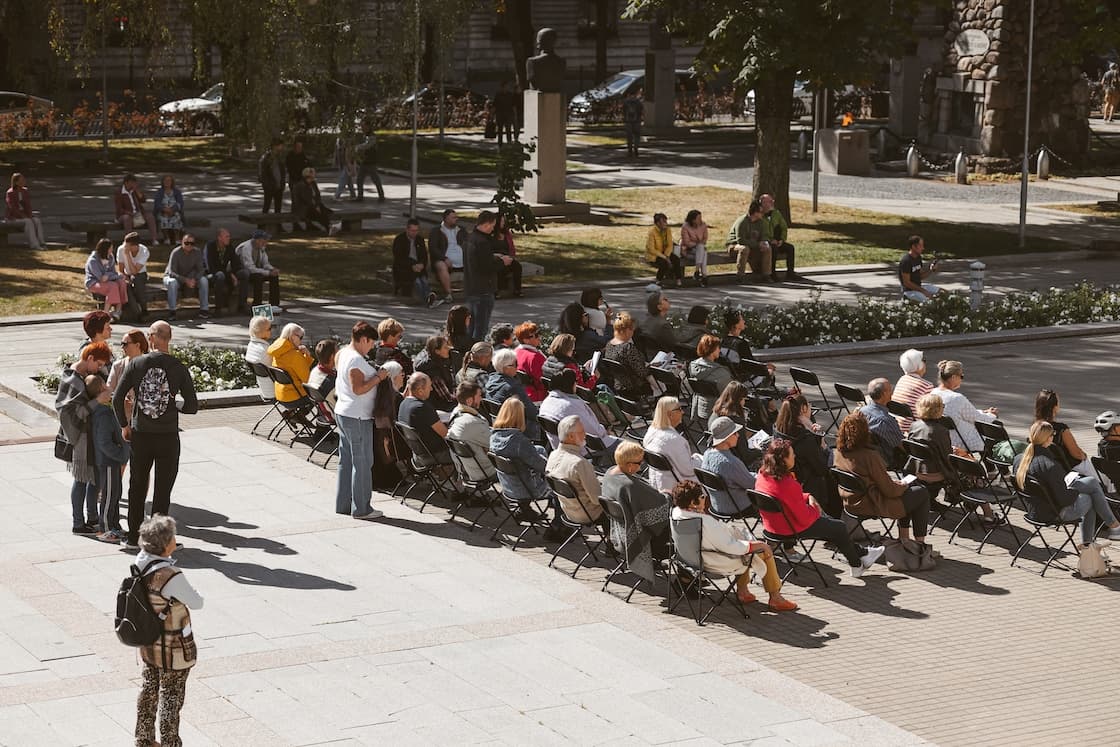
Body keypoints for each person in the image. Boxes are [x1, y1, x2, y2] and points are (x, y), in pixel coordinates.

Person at [113, 321, 199, 550]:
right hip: (168, 436)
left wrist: (125, 425)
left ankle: (133, 537)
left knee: (137, 486)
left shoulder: (136, 364)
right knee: (162, 490)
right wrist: (173, 405)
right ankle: (159, 542)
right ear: (169, 338)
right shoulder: (178, 367)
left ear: (151, 338)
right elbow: (192, 406)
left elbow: (117, 398)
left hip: (141, 434)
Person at [754, 438, 886, 579]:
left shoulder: (763, 475)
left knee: (832, 526)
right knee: (839, 527)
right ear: (784, 460)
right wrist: (816, 509)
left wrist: (808, 496)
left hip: (772, 527)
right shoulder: (787, 484)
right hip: (789, 528)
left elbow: (786, 497)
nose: (795, 456)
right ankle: (857, 564)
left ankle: (862, 555)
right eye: (792, 454)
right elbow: (804, 517)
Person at [132, 515, 204, 747]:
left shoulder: (141, 561)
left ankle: (144, 739)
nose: (175, 539)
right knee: (171, 696)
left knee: (149, 690)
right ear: (165, 543)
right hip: (172, 647)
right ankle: (170, 742)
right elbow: (196, 602)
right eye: (172, 536)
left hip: (149, 641)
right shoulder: (170, 575)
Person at [670, 480, 797, 610]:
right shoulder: (704, 522)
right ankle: (775, 598)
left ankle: (743, 591)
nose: (705, 498)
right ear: (693, 502)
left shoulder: (676, 513)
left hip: (690, 561)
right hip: (714, 563)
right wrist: (759, 545)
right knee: (762, 551)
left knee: (744, 543)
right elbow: (731, 547)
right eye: (702, 497)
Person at [1014, 421, 1120, 548]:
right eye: (1052, 434)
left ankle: (1111, 528)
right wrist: (1076, 490)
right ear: (1049, 438)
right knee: (1090, 497)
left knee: (1091, 482)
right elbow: (1065, 499)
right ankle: (1097, 538)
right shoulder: (1050, 465)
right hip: (1052, 513)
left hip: (1034, 509)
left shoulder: (1019, 459)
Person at [833, 412, 932, 547]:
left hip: (850, 501)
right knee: (921, 493)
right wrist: (902, 485)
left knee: (910, 493)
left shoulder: (839, 452)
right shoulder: (869, 456)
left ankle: (905, 539)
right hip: (872, 503)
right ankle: (920, 544)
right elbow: (890, 491)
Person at [334, 321, 392, 519]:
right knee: (363, 462)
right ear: (364, 339)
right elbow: (358, 389)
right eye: (371, 343)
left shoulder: (343, 353)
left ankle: (343, 504)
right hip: (357, 416)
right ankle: (362, 508)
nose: (371, 347)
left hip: (344, 412)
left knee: (346, 461)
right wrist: (379, 377)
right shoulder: (356, 360)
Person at [56, 342, 113, 535]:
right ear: (90, 358)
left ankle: (92, 518)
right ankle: (78, 524)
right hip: (80, 438)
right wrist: (97, 401)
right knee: (81, 479)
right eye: (99, 364)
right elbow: (73, 413)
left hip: (88, 436)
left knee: (93, 477)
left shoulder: (79, 376)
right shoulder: (74, 380)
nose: (99, 368)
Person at [602, 441, 671, 583]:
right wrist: (668, 495)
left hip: (618, 531)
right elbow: (661, 506)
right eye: (639, 463)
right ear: (629, 465)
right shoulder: (629, 486)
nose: (641, 466)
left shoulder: (609, 473)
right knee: (675, 520)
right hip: (639, 538)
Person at [489, 398, 559, 534]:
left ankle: (524, 509)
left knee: (539, 449)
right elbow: (542, 467)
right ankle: (558, 526)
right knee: (559, 485)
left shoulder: (494, 436)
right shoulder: (520, 442)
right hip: (528, 490)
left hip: (509, 486)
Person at [546, 415, 609, 532]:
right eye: (582, 432)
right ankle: (614, 540)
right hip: (588, 513)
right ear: (571, 436)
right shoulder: (579, 463)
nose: (585, 434)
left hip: (568, 511)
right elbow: (596, 499)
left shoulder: (553, 455)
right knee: (618, 506)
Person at [86, 375, 129, 542]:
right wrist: (119, 454)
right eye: (106, 385)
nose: (110, 388)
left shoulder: (104, 409)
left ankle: (114, 525)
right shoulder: (103, 413)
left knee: (115, 494)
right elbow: (104, 441)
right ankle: (105, 528)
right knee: (110, 495)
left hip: (112, 460)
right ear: (101, 390)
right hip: (109, 461)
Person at [773, 393, 832, 513]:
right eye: (809, 406)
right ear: (804, 408)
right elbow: (822, 468)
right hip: (809, 487)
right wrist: (822, 443)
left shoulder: (778, 429)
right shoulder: (806, 439)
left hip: (788, 480)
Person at [539, 369, 617, 452]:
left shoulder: (545, 403)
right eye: (576, 382)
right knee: (625, 446)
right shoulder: (571, 405)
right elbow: (595, 432)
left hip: (559, 448)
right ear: (571, 385)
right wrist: (605, 431)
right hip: (583, 449)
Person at [463, 210, 512, 339]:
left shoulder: (470, 238)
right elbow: (486, 267)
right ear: (486, 224)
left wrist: (493, 256)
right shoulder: (483, 242)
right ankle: (478, 350)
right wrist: (502, 262)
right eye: (492, 225)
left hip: (471, 287)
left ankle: (468, 349)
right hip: (483, 289)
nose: (493, 229)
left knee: (471, 326)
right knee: (480, 328)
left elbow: (477, 259)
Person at [932, 359, 996, 454]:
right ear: (953, 377)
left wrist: (982, 412)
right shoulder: (957, 398)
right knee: (995, 428)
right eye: (961, 376)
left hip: (945, 439)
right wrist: (992, 415)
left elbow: (964, 413)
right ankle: (994, 462)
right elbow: (979, 419)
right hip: (962, 441)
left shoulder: (933, 393)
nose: (962, 379)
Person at [699, 416, 758, 516]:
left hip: (717, 504)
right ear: (726, 437)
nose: (738, 435)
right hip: (738, 507)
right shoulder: (730, 462)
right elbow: (752, 484)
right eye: (735, 433)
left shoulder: (707, 454)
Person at [643, 396, 700, 493]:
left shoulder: (651, 431)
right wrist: (700, 459)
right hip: (678, 488)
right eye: (679, 409)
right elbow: (688, 470)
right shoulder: (674, 440)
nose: (683, 412)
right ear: (670, 414)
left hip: (657, 482)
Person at [484, 348, 541, 441]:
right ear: (506, 368)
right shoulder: (513, 387)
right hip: (517, 428)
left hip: (498, 423)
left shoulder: (491, 380)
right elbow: (532, 412)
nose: (517, 367)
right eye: (515, 364)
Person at [1034, 389, 1093, 477]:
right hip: (1069, 469)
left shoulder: (1035, 427)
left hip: (1047, 467)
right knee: (1104, 478)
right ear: (1054, 408)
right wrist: (1084, 456)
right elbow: (1076, 454)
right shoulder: (1061, 429)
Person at [447, 380, 496, 482]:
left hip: (467, 469)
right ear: (469, 400)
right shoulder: (471, 422)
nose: (481, 398)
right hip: (485, 471)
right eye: (479, 396)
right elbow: (495, 445)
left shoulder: (455, 413)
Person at [372, 361, 406, 491]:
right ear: (394, 377)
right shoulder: (395, 398)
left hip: (381, 444)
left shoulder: (380, 394)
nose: (403, 377)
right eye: (402, 375)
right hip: (396, 444)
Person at [107, 328, 148, 437]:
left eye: (125, 344)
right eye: (121, 344)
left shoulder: (150, 365)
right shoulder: (118, 366)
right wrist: (117, 398)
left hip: (145, 421)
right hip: (122, 420)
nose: (122, 347)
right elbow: (108, 391)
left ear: (137, 345)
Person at [710, 381, 762, 464]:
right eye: (744, 399)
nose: (744, 402)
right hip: (736, 461)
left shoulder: (716, 413)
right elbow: (745, 455)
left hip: (721, 455)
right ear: (739, 400)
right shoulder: (736, 421)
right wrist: (760, 451)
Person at [603, 311, 651, 400]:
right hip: (634, 386)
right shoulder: (628, 348)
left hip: (618, 384)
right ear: (627, 330)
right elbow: (642, 372)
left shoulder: (609, 345)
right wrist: (650, 367)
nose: (633, 332)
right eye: (632, 330)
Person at [163, 233, 211, 320]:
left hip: (191, 278)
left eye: (192, 243)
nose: (189, 245)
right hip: (175, 277)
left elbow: (201, 269)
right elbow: (172, 272)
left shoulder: (197, 252)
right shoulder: (176, 253)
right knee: (172, 283)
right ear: (182, 242)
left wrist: (194, 279)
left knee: (204, 280)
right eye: (186, 243)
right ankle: (172, 311)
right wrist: (185, 280)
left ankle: (204, 310)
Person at [861, 377, 905, 469]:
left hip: (866, 454)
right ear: (884, 394)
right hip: (887, 459)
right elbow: (901, 445)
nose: (892, 392)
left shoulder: (861, 411)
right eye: (890, 390)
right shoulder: (886, 421)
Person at [234, 230, 282, 312]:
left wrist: (272, 269)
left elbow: (265, 263)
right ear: (257, 240)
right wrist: (268, 273)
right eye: (264, 241)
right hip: (244, 272)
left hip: (255, 271)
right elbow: (250, 268)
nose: (265, 243)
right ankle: (257, 305)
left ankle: (274, 305)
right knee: (258, 277)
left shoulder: (261, 247)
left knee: (274, 277)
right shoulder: (246, 248)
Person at [727, 200, 774, 283]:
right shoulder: (742, 221)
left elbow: (765, 235)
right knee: (744, 249)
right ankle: (740, 276)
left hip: (752, 246)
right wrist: (757, 244)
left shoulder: (761, 222)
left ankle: (766, 275)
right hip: (735, 245)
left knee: (768, 248)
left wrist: (764, 242)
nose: (763, 214)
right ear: (755, 213)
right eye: (761, 212)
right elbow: (740, 240)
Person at [428, 209, 468, 305]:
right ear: (446, 219)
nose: (456, 219)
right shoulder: (436, 231)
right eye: (453, 217)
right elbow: (433, 248)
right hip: (444, 260)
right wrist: (444, 258)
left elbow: (468, 244)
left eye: (456, 217)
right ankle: (448, 294)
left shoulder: (461, 230)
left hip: (463, 260)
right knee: (441, 265)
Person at [688, 334, 733, 421]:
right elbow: (731, 392)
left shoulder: (692, 365)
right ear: (713, 350)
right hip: (716, 410)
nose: (719, 350)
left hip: (700, 405)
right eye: (718, 348)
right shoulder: (721, 372)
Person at [759, 193, 801, 281]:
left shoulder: (776, 213)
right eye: (769, 202)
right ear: (762, 203)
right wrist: (770, 240)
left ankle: (790, 273)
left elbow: (784, 227)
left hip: (777, 241)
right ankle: (772, 274)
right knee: (773, 248)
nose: (771, 203)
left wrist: (782, 239)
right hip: (765, 242)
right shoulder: (759, 215)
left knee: (790, 248)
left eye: (772, 201)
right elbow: (760, 232)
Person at [267, 323, 314, 403]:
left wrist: (305, 356)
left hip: (281, 395)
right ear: (293, 337)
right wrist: (307, 356)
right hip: (296, 395)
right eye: (301, 337)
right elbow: (307, 380)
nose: (301, 341)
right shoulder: (295, 355)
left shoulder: (278, 350)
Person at [85, 238, 129, 320]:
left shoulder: (110, 257)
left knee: (121, 282)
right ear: (105, 249)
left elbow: (113, 273)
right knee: (113, 286)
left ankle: (118, 310)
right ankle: (106, 313)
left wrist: (111, 276)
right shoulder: (93, 261)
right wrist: (112, 275)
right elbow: (101, 278)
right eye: (110, 248)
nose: (112, 250)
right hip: (94, 282)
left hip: (108, 281)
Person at [392, 218, 434, 304]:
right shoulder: (399, 240)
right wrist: (412, 265)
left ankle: (428, 298)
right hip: (404, 268)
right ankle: (427, 300)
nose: (414, 233)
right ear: (407, 229)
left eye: (416, 230)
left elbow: (424, 255)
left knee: (424, 280)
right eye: (412, 230)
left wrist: (422, 264)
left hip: (418, 267)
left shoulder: (420, 239)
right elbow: (399, 257)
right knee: (417, 282)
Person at [892, 348, 934, 432]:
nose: (925, 363)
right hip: (915, 429)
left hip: (898, 426)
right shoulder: (927, 386)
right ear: (918, 365)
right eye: (923, 360)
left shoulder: (902, 379)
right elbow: (930, 413)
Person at [413, 335, 457, 411]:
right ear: (437, 351)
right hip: (439, 408)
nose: (449, 348)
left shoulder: (432, 357)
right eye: (445, 347)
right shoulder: (433, 371)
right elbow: (448, 398)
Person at [114, 173, 159, 245]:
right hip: (124, 215)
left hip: (137, 213)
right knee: (127, 218)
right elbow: (119, 209)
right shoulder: (119, 193)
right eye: (131, 183)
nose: (133, 185)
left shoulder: (134, 191)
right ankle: (129, 241)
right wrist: (130, 213)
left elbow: (143, 200)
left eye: (134, 183)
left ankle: (154, 239)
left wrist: (137, 191)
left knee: (150, 216)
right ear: (126, 183)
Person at [5, 172, 45, 248]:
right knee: (28, 222)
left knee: (36, 220)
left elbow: (28, 205)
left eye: (23, 179)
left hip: (24, 215)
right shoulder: (10, 193)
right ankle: (34, 245)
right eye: (21, 180)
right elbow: (12, 208)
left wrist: (29, 214)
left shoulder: (25, 191)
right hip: (13, 217)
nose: (24, 181)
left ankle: (42, 242)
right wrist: (22, 216)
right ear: (16, 182)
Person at [117, 232, 151, 321]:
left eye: (128, 245)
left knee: (137, 282)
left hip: (140, 274)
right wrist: (126, 278)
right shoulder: (121, 249)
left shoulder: (144, 251)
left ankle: (144, 309)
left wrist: (127, 255)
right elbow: (120, 269)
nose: (125, 247)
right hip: (126, 274)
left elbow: (135, 271)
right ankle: (138, 313)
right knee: (126, 287)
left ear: (135, 246)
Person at [899, 235, 941, 303]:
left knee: (943, 293)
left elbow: (920, 276)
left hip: (919, 287)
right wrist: (923, 291)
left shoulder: (918, 258)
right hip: (909, 292)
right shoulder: (906, 261)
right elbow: (907, 283)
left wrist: (931, 270)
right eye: (920, 245)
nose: (923, 248)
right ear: (913, 246)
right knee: (931, 301)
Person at [201, 228, 234, 314]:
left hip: (222, 273)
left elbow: (236, 262)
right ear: (219, 238)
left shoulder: (229, 247)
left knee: (242, 274)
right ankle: (218, 308)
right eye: (227, 236)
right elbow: (210, 267)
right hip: (208, 275)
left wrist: (232, 274)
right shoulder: (210, 246)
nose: (229, 238)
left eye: (229, 236)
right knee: (220, 275)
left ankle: (238, 306)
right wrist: (228, 274)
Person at [292, 167, 334, 234]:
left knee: (325, 211)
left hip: (313, 205)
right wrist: (315, 207)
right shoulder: (301, 185)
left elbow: (317, 195)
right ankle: (329, 227)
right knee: (317, 213)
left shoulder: (313, 183)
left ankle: (329, 227)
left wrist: (317, 205)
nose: (314, 176)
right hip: (304, 208)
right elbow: (306, 199)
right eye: (313, 175)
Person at [513, 321, 547, 401]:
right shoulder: (535, 356)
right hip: (536, 396)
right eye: (536, 335)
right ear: (525, 340)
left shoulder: (515, 352)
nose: (539, 337)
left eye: (539, 333)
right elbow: (543, 381)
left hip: (519, 393)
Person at [645, 212, 681, 287]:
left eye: (666, 221)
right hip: (655, 255)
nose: (666, 223)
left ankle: (678, 280)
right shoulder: (652, 232)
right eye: (664, 222)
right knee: (663, 263)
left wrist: (667, 255)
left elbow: (670, 244)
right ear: (658, 223)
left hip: (665, 253)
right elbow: (651, 249)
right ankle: (658, 280)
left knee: (676, 259)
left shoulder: (668, 230)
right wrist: (665, 257)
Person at [640, 290, 682, 354]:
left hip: (649, 355)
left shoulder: (647, 321)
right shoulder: (663, 325)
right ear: (659, 307)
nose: (668, 300)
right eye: (665, 299)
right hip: (662, 356)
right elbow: (674, 345)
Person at [243, 315, 274, 399]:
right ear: (261, 331)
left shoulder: (251, 346)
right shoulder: (265, 350)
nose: (271, 330)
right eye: (269, 328)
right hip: (275, 391)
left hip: (264, 389)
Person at [494, 213, 523, 298]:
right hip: (496, 258)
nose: (503, 223)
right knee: (499, 267)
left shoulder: (507, 234)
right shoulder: (490, 235)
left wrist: (511, 257)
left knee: (517, 266)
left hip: (507, 257)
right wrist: (499, 256)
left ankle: (517, 289)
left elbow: (511, 248)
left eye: (504, 221)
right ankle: (498, 290)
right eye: (501, 221)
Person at [152, 174, 185, 245]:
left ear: (172, 182)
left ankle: (177, 239)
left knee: (176, 217)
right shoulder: (159, 192)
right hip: (162, 211)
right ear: (162, 182)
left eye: (169, 180)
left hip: (174, 211)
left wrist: (172, 209)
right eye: (165, 180)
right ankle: (166, 238)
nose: (167, 182)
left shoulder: (177, 191)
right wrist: (164, 209)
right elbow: (157, 204)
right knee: (163, 218)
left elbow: (180, 203)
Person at [355, 127, 386, 202]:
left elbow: (368, 145)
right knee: (359, 179)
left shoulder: (372, 136)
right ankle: (360, 196)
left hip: (371, 162)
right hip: (364, 162)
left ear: (368, 126)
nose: (363, 128)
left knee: (376, 180)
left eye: (364, 126)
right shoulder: (365, 136)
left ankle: (381, 196)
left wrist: (358, 147)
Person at [680, 209, 709, 286]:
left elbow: (705, 238)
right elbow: (687, 242)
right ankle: (704, 276)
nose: (700, 220)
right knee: (703, 252)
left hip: (698, 250)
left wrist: (700, 244)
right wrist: (698, 244)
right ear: (693, 220)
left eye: (701, 218)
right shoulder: (685, 227)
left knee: (701, 249)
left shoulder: (703, 225)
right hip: (688, 250)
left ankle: (697, 271)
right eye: (698, 218)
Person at [258, 137, 286, 215]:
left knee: (278, 207)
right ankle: (263, 221)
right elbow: (262, 173)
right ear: (275, 146)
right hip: (269, 186)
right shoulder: (266, 157)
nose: (282, 147)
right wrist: (267, 184)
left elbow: (282, 171)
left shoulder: (279, 157)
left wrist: (282, 183)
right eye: (280, 145)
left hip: (279, 185)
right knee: (267, 205)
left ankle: (278, 222)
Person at [308, 338, 338, 403]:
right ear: (332, 356)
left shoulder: (315, 370)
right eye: (337, 352)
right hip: (333, 408)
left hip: (322, 406)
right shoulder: (331, 383)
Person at [285, 138, 311, 205]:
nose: (299, 148)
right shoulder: (290, 156)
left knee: (303, 199)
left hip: (302, 180)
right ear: (294, 147)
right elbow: (289, 168)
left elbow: (307, 165)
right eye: (298, 146)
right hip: (294, 180)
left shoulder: (303, 155)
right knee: (295, 199)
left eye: (301, 147)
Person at [494, 80, 519, 145]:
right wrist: (492, 115)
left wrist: (515, 114)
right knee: (500, 130)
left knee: (508, 129)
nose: (507, 87)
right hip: (500, 114)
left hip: (508, 114)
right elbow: (495, 105)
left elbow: (513, 105)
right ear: (502, 87)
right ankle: (500, 144)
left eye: (508, 86)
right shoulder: (498, 95)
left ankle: (509, 142)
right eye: (506, 86)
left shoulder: (510, 95)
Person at [333, 134, 357, 200]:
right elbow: (345, 159)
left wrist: (350, 168)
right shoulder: (342, 148)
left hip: (346, 166)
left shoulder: (345, 148)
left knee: (343, 181)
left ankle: (337, 196)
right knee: (348, 181)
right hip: (346, 166)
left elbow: (347, 159)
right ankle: (353, 195)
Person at [622, 87, 642, 157]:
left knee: (629, 136)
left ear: (628, 94)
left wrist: (624, 119)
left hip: (628, 121)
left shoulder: (626, 102)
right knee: (637, 135)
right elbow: (641, 111)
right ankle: (636, 148)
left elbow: (623, 111)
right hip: (637, 121)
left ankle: (630, 150)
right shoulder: (638, 102)